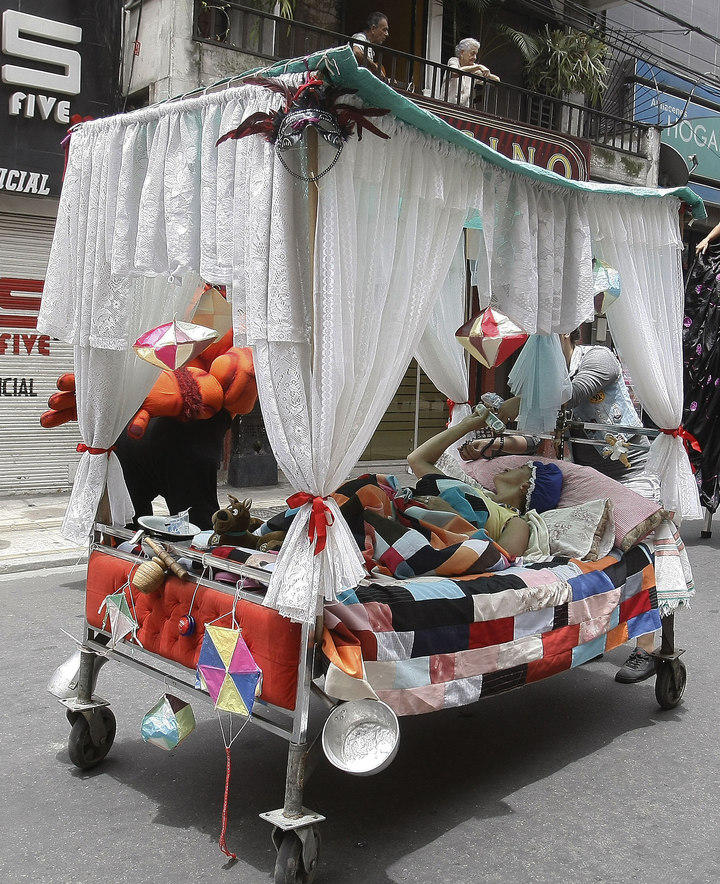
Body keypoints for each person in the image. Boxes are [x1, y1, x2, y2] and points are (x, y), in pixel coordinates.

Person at [498, 330, 658, 684]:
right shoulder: (548, 381)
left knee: (641, 557)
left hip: (632, 474)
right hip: (588, 478)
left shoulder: (597, 359)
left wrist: (519, 403)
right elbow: (540, 434)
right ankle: (600, 633)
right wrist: (497, 439)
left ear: (565, 333)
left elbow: (568, 396)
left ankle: (648, 648)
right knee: (592, 559)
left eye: (542, 342)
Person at [407, 409, 562, 558]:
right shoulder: (473, 491)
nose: (508, 468)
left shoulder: (516, 522)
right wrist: (466, 425)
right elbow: (417, 459)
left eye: (521, 468)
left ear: (526, 486)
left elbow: (500, 559)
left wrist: (454, 518)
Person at [444, 38, 499, 107]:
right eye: (472, 54)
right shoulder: (454, 61)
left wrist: (488, 75)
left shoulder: (474, 69)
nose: (475, 57)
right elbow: (455, 72)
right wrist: (478, 67)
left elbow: (496, 81)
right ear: (462, 52)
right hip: (446, 106)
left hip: (464, 110)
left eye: (476, 54)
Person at [350, 12, 389, 77]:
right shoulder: (360, 37)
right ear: (373, 29)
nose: (387, 34)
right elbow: (356, 52)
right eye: (384, 30)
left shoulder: (370, 47)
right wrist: (374, 66)